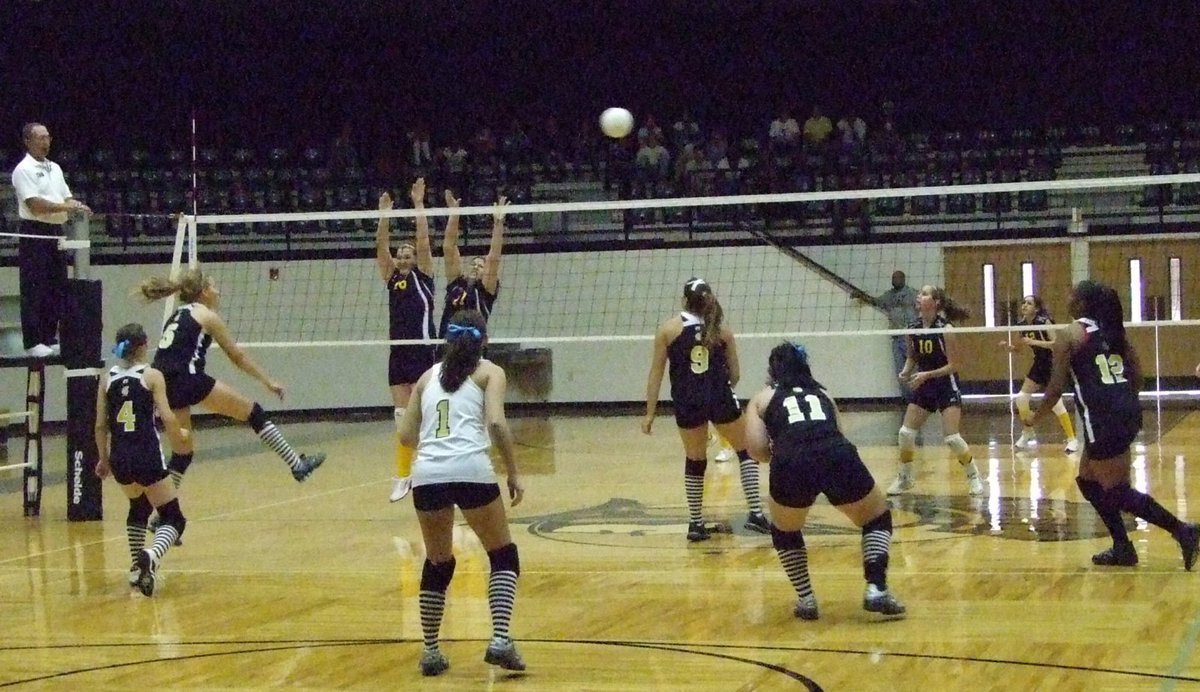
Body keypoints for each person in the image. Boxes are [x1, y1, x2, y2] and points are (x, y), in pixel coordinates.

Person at [397, 310, 526, 677]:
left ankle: (431, 651)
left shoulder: (426, 377)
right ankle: (500, 638)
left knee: (439, 561)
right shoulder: (489, 372)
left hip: (428, 474)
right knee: (503, 554)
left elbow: (406, 436)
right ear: (483, 341)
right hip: (471, 469)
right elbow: (497, 422)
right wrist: (513, 472)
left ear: (447, 341)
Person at [1038, 280, 1198, 569]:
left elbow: (1055, 388)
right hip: (1124, 411)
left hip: (1103, 417)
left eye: (1071, 294)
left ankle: (1183, 531)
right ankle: (1123, 547)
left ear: (1081, 304)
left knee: (1117, 490)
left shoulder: (1069, 335)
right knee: (1087, 480)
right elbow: (1138, 377)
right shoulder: (1113, 332)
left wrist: (1033, 418)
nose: (1067, 296)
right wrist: (1120, 400)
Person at [744, 342, 906, 620]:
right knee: (876, 518)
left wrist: (786, 449)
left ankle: (806, 600)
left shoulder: (762, 398)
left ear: (772, 371)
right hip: (836, 454)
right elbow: (839, 432)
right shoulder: (823, 395)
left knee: (785, 531)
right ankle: (876, 588)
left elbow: (756, 450)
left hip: (790, 462)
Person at [140, 268, 325, 492]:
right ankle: (297, 464)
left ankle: (163, 510)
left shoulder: (177, 315)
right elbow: (237, 356)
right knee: (253, 412)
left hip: (163, 384)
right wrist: (267, 381)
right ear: (204, 291)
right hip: (188, 380)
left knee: (182, 453)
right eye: (214, 286)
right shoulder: (206, 315)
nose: (217, 291)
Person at [642, 278, 770, 542]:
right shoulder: (722, 331)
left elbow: (656, 373)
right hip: (718, 396)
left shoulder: (668, 330)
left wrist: (650, 413)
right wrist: (721, 389)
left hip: (687, 401)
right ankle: (756, 514)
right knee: (746, 451)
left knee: (695, 460)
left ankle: (696, 524)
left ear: (684, 301)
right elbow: (735, 374)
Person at [94, 323, 188, 596]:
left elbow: (100, 425)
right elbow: (168, 416)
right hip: (146, 454)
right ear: (144, 345)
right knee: (174, 518)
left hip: (120, 457)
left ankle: (136, 570)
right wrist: (179, 435)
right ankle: (151, 555)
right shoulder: (152, 376)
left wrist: (103, 459)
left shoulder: (107, 378)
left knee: (138, 506)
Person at [887, 285, 984, 497]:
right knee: (905, 433)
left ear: (936, 302)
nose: (919, 297)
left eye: (924, 294)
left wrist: (926, 375)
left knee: (952, 438)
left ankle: (973, 476)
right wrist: (905, 372)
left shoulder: (945, 329)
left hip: (946, 384)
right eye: (919, 294)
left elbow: (954, 365)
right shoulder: (912, 328)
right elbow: (913, 356)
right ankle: (905, 478)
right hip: (925, 385)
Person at [378, 179, 437, 503]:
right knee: (402, 419)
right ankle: (403, 475)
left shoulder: (424, 275)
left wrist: (418, 204)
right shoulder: (391, 279)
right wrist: (384, 216)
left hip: (422, 352)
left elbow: (424, 241)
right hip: (397, 353)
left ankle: (430, 469)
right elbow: (380, 249)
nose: (402, 258)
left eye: (407, 255)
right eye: (399, 255)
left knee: (424, 416)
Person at [11, 122, 91, 358]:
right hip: (35, 230)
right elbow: (35, 205)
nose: (46, 142)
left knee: (56, 285)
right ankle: (33, 340)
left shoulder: (55, 167)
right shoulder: (22, 169)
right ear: (28, 141)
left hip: (56, 230)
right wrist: (65, 206)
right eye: (40, 138)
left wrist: (76, 205)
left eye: (48, 137)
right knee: (34, 285)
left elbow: (66, 196)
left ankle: (48, 336)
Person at [998, 295, 1079, 452]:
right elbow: (1018, 349)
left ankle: (1072, 440)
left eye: (1029, 303)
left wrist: (1034, 342)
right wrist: (1007, 347)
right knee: (1021, 399)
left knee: (1056, 404)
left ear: (1036, 308)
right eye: (1023, 303)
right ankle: (1028, 432)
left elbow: (1056, 344)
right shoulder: (1021, 325)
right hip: (1039, 364)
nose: (1024, 306)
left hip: (1053, 363)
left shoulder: (1044, 322)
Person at [438, 193, 507, 337]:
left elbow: (493, 258)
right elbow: (449, 247)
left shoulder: (485, 291)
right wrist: (454, 215)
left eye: (481, 266)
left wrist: (498, 224)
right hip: (448, 345)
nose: (475, 267)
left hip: (473, 347)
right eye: (473, 264)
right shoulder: (457, 283)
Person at [857, 270, 918, 401]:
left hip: (911, 336)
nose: (895, 280)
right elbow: (875, 301)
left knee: (914, 369)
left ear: (903, 279)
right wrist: (861, 296)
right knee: (900, 371)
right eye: (893, 278)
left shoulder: (912, 293)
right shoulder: (889, 296)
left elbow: (923, 307)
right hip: (896, 337)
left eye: (897, 278)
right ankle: (907, 399)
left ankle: (919, 398)